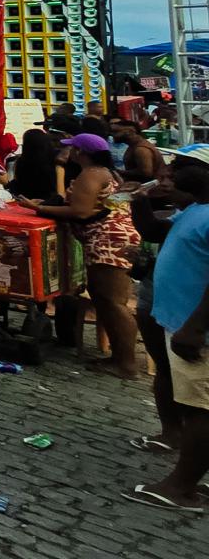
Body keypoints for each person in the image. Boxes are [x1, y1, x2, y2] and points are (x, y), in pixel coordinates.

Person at [15, 133, 142, 379]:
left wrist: (38, 208)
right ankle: (120, 358)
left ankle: (127, 364)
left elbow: (80, 212)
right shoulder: (106, 173)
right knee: (106, 301)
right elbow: (96, 206)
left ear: (80, 152)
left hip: (107, 241)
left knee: (113, 303)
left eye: (72, 148)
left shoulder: (92, 174)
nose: (68, 152)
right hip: (113, 237)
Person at [128, 147, 209, 511]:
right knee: (194, 406)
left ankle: (181, 487)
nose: (171, 172)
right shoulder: (193, 210)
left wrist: (195, 327)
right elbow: (156, 230)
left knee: (201, 410)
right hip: (180, 321)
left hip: (196, 329)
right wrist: (139, 201)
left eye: (181, 167)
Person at [4, 129, 64, 203]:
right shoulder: (55, 164)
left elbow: (17, 183)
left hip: (24, 201)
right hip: (47, 203)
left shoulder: (20, 162)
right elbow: (60, 195)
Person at [113, 117, 163, 185]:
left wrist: (120, 172)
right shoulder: (134, 145)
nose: (113, 135)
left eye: (116, 131)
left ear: (130, 132)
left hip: (149, 187)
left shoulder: (141, 150)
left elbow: (146, 173)